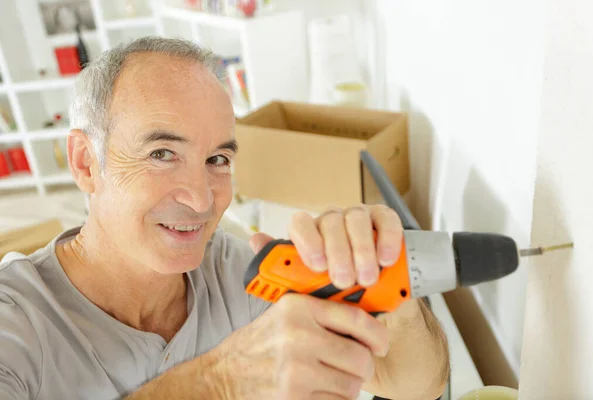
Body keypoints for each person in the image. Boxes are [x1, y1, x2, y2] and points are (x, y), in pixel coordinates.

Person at [0, 37, 449, 400]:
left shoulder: (240, 274)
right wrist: (217, 383)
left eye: (217, 159)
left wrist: (392, 288)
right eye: (162, 154)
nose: (200, 199)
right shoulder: (16, 322)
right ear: (84, 163)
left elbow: (414, 385)